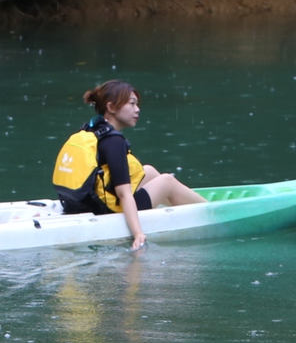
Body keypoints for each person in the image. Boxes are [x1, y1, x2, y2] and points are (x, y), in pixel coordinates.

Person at [51, 80, 204, 250]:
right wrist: (138, 233)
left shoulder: (92, 129)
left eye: (137, 104)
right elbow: (124, 194)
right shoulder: (114, 141)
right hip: (106, 209)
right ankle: (208, 210)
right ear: (111, 107)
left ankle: (180, 206)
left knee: (149, 172)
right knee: (167, 181)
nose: (137, 109)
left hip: (83, 201)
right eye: (132, 104)